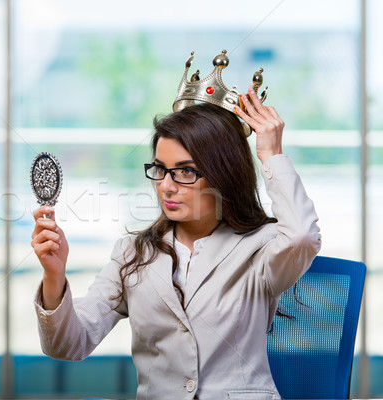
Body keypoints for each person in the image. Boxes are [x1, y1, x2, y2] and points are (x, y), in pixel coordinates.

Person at [30, 86, 321, 399]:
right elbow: (68, 345)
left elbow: (303, 236)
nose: (166, 186)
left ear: (225, 173)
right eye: (160, 170)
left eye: (185, 172)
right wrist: (54, 276)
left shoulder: (261, 246)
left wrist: (271, 156)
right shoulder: (133, 253)